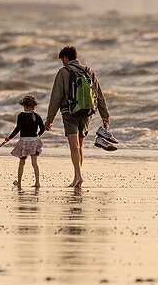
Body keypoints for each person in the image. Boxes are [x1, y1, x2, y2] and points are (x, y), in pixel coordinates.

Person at [45, 45, 110, 188]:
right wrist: (105, 116)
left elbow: (56, 97)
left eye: (62, 60)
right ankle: (76, 178)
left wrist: (49, 120)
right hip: (87, 113)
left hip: (69, 113)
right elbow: (99, 95)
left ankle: (78, 177)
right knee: (80, 147)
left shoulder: (63, 71)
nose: (62, 63)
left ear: (66, 58)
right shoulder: (89, 71)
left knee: (73, 147)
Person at [5, 95, 46, 188]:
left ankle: (19, 182)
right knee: (34, 163)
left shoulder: (21, 115)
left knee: (22, 162)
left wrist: (9, 138)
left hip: (24, 142)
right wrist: (38, 135)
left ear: (24, 105)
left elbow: (18, 128)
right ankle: (37, 183)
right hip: (34, 142)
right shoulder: (36, 116)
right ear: (33, 106)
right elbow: (43, 128)